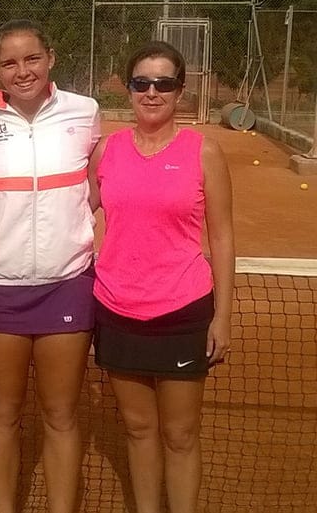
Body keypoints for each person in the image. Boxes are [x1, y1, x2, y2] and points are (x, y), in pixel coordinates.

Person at [0, 20, 100, 513]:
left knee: (61, 414)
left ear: (51, 58)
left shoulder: (85, 111)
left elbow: (96, 185)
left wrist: (73, 227)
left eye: (32, 58)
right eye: (10, 63)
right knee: (3, 413)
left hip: (67, 285)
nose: (23, 71)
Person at [88, 40, 234, 513]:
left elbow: (222, 238)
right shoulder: (107, 150)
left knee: (180, 434)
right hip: (116, 309)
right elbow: (72, 212)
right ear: (128, 88)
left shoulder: (204, 152)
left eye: (163, 83)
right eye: (141, 83)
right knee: (138, 429)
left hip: (183, 312)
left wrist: (222, 317)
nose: (152, 93)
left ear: (180, 90)